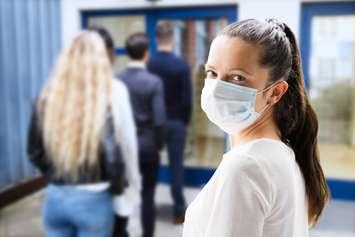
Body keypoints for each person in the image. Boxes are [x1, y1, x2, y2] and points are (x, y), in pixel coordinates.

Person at [183, 19, 330, 237]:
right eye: (212, 73)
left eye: (237, 77)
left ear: (275, 92)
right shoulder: (282, 153)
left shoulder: (245, 167)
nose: (216, 89)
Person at [27, 30, 140, 237]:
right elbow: (117, 154)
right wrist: (120, 191)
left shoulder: (47, 98)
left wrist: (57, 175)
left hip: (56, 195)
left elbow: (35, 151)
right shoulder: (107, 97)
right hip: (94, 198)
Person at [89, 26, 142, 237]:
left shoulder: (63, 90)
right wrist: (133, 188)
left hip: (69, 194)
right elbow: (127, 144)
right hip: (107, 193)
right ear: (109, 54)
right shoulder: (114, 90)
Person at [119, 32, 166, 237]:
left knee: (121, 194)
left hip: (123, 148)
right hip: (147, 147)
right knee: (148, 195)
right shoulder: (153, 82)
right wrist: (159, 145)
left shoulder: (117, 80)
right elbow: (159, 120)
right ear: (146, 54)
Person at [147, 21, 192, 224]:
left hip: (153, 124)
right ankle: (178, 211)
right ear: (172, 39)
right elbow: (188, 98)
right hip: (176, 123)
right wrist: (184, 122)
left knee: (148, 167)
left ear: (157, 39)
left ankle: (147, 208)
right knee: (176, 168)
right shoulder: (181, 65)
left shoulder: (150, 65)